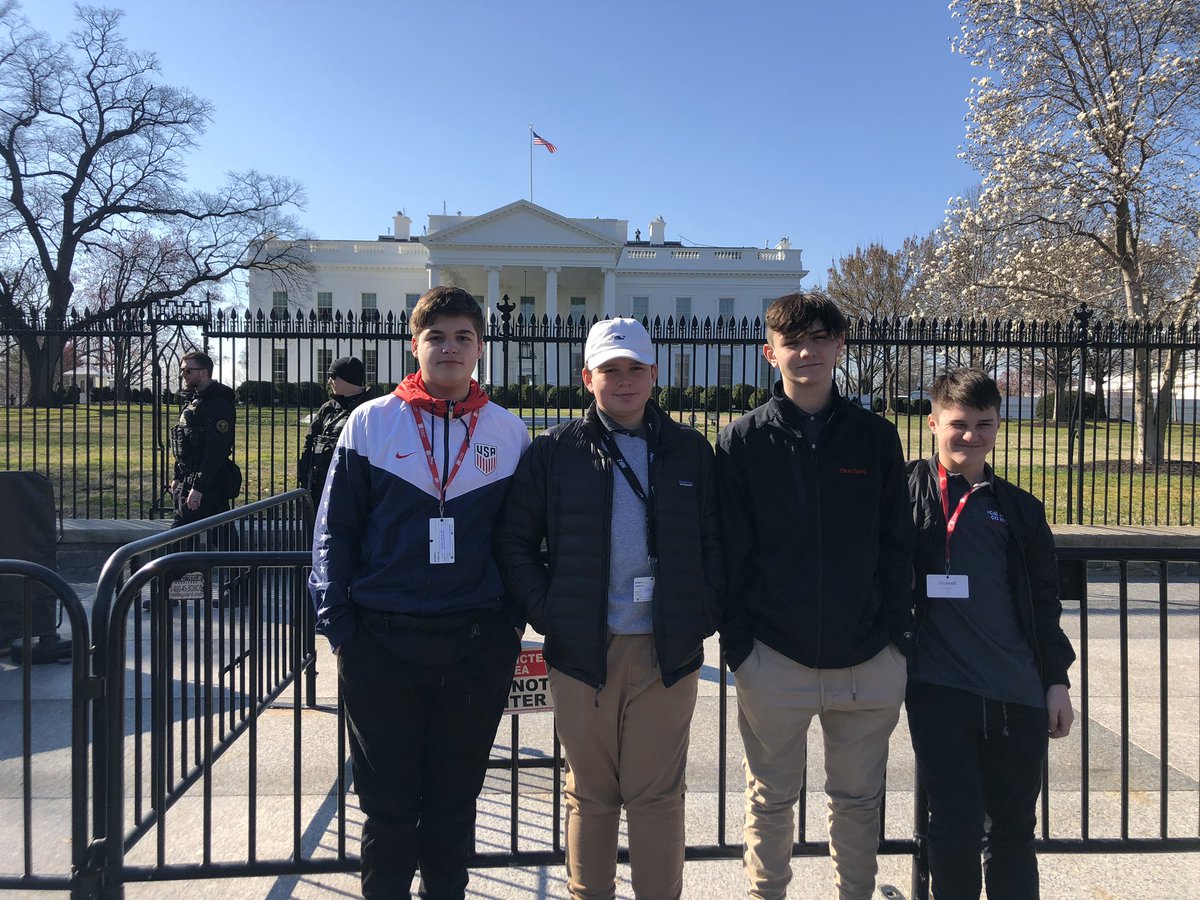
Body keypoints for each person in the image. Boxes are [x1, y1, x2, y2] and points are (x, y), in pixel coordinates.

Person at [309, 285, 530, 899]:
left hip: (474, 647)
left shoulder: (509, 432)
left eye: (463, 337)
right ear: (415, 345)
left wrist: (509, 627)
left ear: (480, 347)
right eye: (436, 336)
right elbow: (334, 531)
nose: (449, 348)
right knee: (388, 810)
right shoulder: (371, 422)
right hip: (380, 644)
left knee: (454, 807)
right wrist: (341, 630)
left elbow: (522, 542)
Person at [495, 317, 723, 900]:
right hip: (583, 651)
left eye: (635, 369)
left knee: (656, 798)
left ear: (654, 374)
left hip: (665, 652)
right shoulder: (553, 452)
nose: (624, 381)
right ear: (587, 378)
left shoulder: (689, 451)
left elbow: (718, 543)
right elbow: (514, 543)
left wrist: (701, 614)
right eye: (610, 370)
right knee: (591, 796)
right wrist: (552, 613)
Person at [716, 291, 915, 900]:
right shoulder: (742, 441)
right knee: (770, 798)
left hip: (867, 657)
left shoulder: (875, 438)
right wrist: (741, 649)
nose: (807, 352)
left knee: (858, 800)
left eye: (820, 338)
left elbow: (896, 544)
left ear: (840, 346)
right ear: (770, 353)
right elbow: (729, 554)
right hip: (774, 656)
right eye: (793, 342)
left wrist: (898, 642)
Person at [905, 368, 1076, 899]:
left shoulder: (1020, 509)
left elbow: (1044, 603)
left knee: (1013, 833)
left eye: (984, 424)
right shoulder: (903, 494)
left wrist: (1056, 681)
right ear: (933, 423)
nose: (971, 436)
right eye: (959, 423)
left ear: (998, 426)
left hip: (1017, 695)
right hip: (940, 692)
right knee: (952, 829)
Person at [157, 350, 245, 608]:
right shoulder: (194, 400)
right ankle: (240, 589)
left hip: (208, 482)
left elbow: (216, 449)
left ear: (204, 372)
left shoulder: (218, 403)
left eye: (188, 370)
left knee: (182, 536)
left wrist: (199, 487)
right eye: (183, 370)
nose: (183, 375)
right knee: (221, 538)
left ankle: (168, 592)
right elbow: (184, 444)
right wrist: (177, 476)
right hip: (190, 479)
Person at [298, 355, 372, 502]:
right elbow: (309, 442)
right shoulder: (327, 408)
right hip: (321, 485)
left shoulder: (370, 409)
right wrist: (304, 477)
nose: (329, 381)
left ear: (347, 378)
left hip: (354, 489)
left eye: (333, 376)